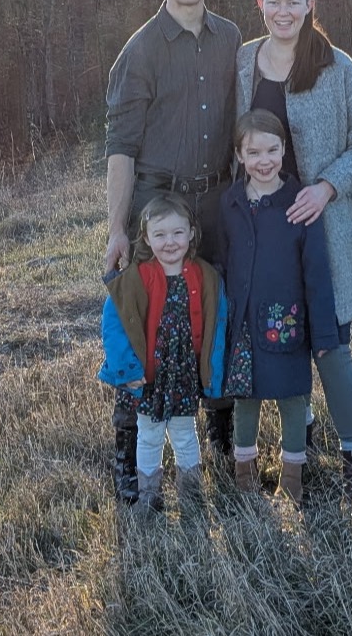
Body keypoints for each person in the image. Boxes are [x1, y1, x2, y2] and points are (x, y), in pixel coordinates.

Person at [103, 0, 241, 504]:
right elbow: (120, 148)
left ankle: (221, 435)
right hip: (157, 207)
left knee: (215, 316)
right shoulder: (139, 52)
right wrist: (117, 227)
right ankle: (131, 457)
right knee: (148, 326)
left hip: (216, 201)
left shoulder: (231, 38)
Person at [235, 0, 352, 486]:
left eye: (293, 2)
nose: (283, 12)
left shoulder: (338, 67)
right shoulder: (244, 61)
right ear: (260, 5)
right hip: (264, 225)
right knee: (274, 331)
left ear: (310, 6)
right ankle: (304, 435)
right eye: (273, 1)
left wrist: (325, 187)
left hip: (325, 223)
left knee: (329, 340)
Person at [220, 108, 339, 504]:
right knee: (245, 397)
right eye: (253, 152)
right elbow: (223, 262)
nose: (264, 161)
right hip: (242, 322)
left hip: (286, 319)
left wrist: (323, 334)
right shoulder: (230, 202)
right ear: (239, 155)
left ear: (284, 149)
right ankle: (244, 474)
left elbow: (317, 273)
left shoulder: (300, 201)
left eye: (272, 150)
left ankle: (292, 479)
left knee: (292, 397)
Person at [99, 193, 227, 513]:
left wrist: (212, 371)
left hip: (183, 376)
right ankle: (149, 496)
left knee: (185, 434)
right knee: (148, 435)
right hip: (149, 377)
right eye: (160, 234)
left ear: (191, 233)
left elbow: (218, 323)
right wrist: (126, 370)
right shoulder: (137, 278)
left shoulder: (204, 276)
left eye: (177, 232)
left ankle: (192, 497)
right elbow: (114, 324)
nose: (170, 242)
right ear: (146, 237)